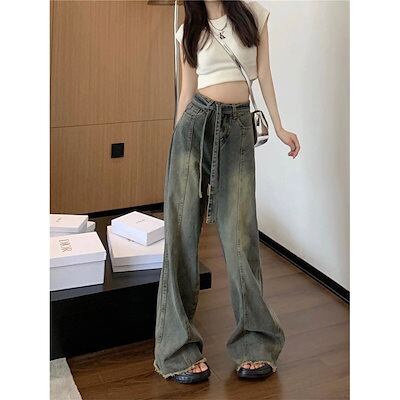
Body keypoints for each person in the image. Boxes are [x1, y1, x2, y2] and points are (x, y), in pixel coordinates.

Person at [153, 0, 300, 384]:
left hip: (237, 129)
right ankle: (176, 350)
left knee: (240, 238)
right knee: (182, 238)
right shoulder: (188, 29)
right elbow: (186, 92)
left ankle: (256, 343)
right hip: (193, 127)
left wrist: (280, 127)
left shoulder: (253, 15)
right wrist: (175, 148)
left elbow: (264, 74)